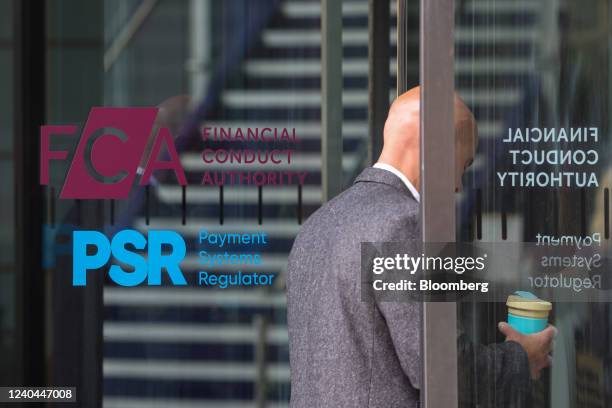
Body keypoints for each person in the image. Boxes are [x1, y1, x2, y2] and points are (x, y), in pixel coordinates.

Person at [286, 86, 556, 407]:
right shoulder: (406, 224)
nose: (458, 186)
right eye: (464, 164)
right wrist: (521, 358)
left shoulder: (317, 225)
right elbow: (440, 370)